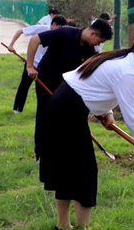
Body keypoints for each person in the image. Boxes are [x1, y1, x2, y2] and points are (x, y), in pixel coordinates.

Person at [41, 31, 134, 230]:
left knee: (69, 169)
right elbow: (131, 116)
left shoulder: (121, 59)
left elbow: (96, 85)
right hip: (68, 110)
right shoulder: (127, 71)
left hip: (63, 104)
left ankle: (63, 227)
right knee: (84, 171)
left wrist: (105, 112)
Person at [26, 18, 113, 161]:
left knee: (64, 119)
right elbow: (35, 40)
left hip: (66, 89)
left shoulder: (89, 51)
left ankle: (60, 154)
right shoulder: (64, 33)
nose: (99, 44)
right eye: (100, 40)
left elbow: (92, 79)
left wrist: (106, 112)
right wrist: (30, 66)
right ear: (93, 34)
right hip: (46, 81)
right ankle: (41, 155)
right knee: (45, 117)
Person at [7, 14, 67, 113]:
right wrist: (11, 45)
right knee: (24, 85)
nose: (61, 30)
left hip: (45, 66)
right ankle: (17, 109)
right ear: (54, 24)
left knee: (45, 89)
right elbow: (20, 31)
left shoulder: (60, 35)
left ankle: (47, 110)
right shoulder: (41, 29)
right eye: (60, 28)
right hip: (32, 63)